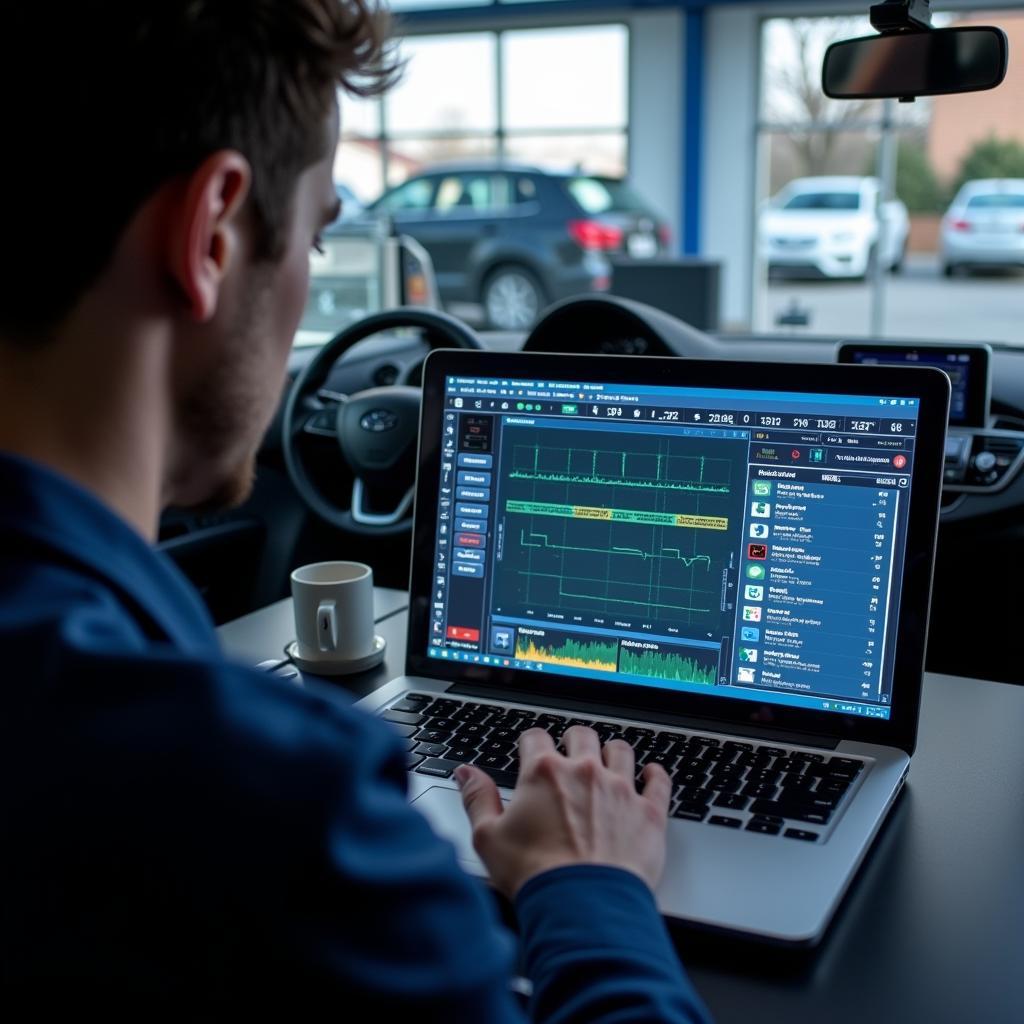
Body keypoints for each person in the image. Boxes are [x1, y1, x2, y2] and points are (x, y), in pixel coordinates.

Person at [0, 3, 712, 1019]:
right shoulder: (278, 814)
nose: (304, 284)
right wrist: (587, 886)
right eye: (319, 237)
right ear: (210, 232)